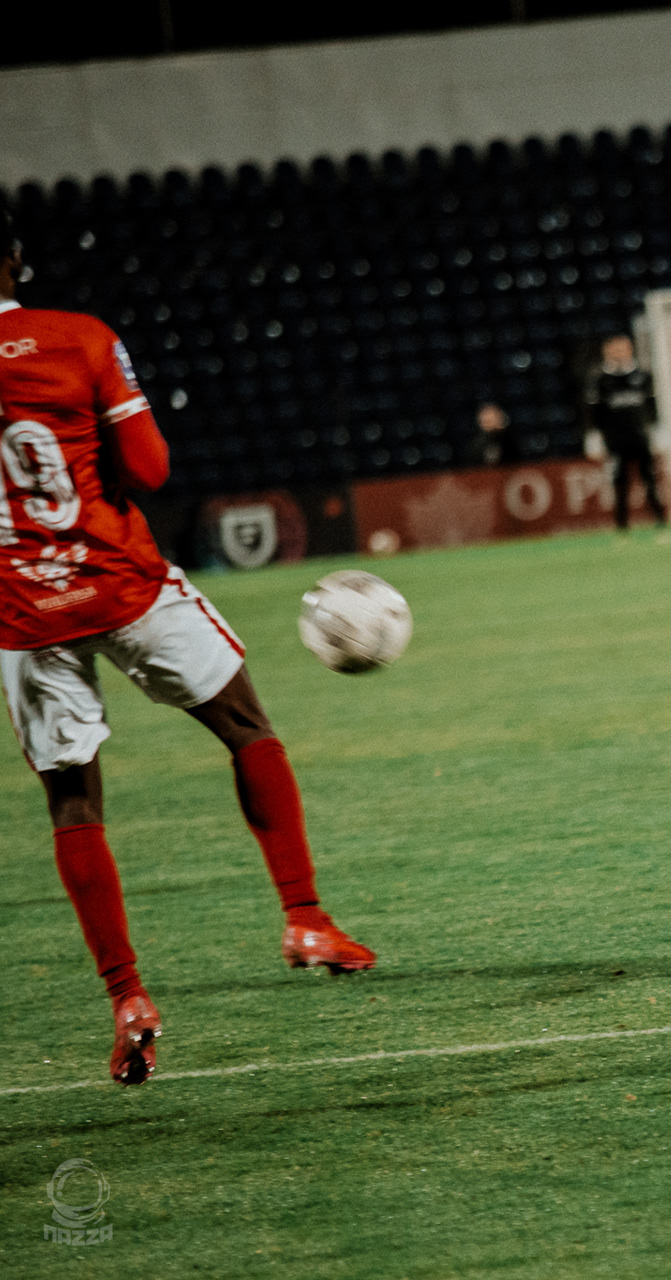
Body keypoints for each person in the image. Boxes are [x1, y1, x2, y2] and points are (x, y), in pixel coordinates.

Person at [0, 203, 375, 1087]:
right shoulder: (80, 337)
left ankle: (127, 996)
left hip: (23, 606)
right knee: (246, 725)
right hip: (119, 576)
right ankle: (305, 918)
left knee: (73, 804)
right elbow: (151, 468)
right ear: (14, 258)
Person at [583, 333, 667, 530]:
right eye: (614, 350)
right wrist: (594, 438)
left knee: (650, 481)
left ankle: (661, 523)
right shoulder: (601, 380)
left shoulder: (643, 376)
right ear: (606, 352)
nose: (619, 353)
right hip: (615, 442)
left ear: (630, 350)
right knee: (619, 484)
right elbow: (594, 412)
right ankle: (622, 529)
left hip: (641, 439)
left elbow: (652, 407)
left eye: (622, 349)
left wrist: (659, 432)